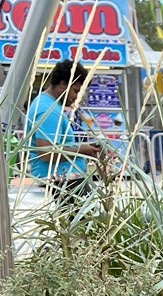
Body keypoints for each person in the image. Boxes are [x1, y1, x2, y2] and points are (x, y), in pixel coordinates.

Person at [23, 60, 105, 201]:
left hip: (64, 179)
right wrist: (82, 150)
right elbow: (46, 153)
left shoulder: (47, 105)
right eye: (75, 91)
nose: (76, 98)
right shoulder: (48, 110)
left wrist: (84, 148)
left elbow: (57, 146)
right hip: (61, 181)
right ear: (62, 84)